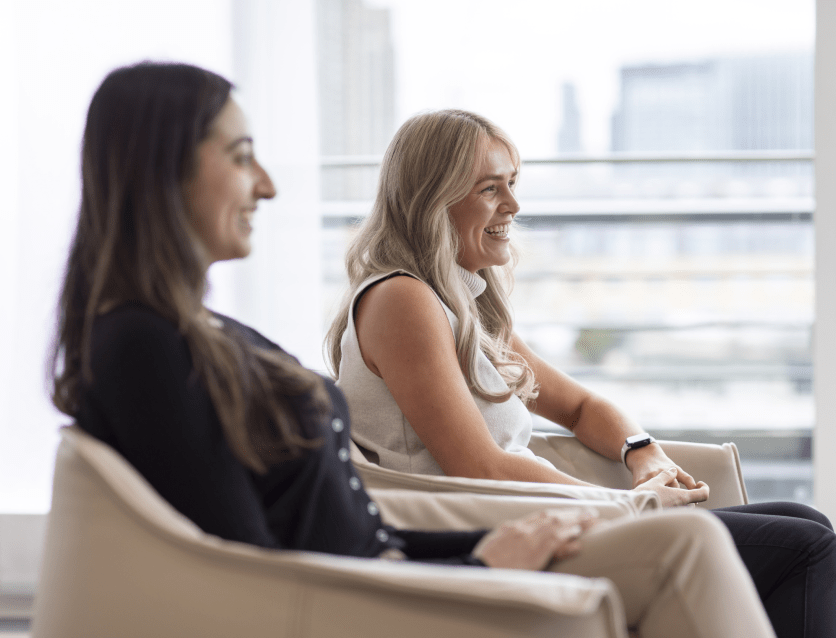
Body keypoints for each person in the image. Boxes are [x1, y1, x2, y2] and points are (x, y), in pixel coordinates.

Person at [49, 61, 777, 638]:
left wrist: (478, 552)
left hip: (402, 565)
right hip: (383, 596)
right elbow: (251, 567)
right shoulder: (143, 347)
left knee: (792, 530)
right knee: (702, 546)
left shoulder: (194, 335)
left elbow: (336, 530)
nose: (266, 186)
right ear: (162, 170)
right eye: (242, 157)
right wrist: (480, 565)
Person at [327, 108, 836, 638]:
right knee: (808, 547)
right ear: (433, 199)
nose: (513, 205)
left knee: (807, 521)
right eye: (490, 189)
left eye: (512, 184)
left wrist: (642, 452)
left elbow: (578, 407)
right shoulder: (402, 300)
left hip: (534, 513)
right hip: (500, 532)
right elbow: (478, 466)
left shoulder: (459, 304)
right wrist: (628, 505)